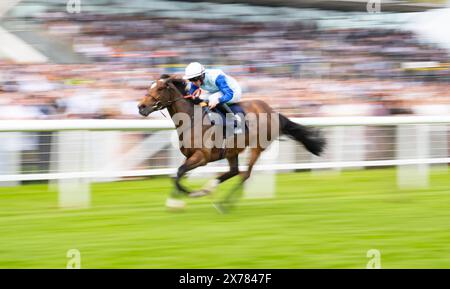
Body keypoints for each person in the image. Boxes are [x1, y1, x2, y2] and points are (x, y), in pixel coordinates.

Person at [182, 62, 243, 133]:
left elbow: (229, 94)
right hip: (217, 91)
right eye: (190, 80)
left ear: (201, 76)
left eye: (194, 80)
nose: (193, 83)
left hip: (233, 91)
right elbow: (190, 94)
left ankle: (236, 122)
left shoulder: (217, 77)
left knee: (212, 99)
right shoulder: (195, 81)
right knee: (202, 99)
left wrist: (218, 100)